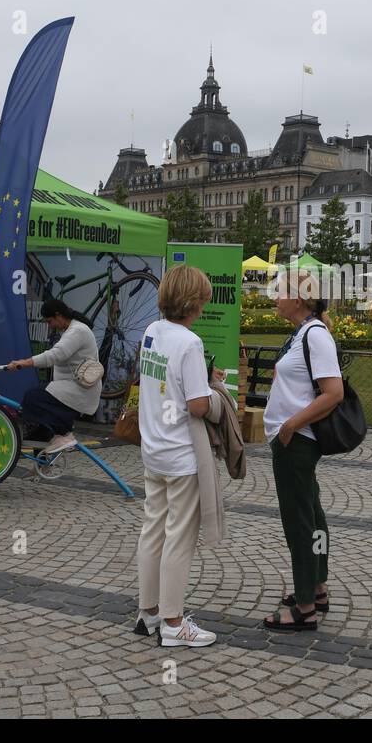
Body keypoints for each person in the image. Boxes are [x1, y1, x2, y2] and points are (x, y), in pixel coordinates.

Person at [132, 264, 227, 648]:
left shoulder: (152, 332)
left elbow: (162, 382)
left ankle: (148, 612)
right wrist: (217, 390)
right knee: (179, 539)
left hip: (153, 449)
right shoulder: (189, 342)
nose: (205, 305)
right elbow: (199, 406)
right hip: (181, 455)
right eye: (203, 299)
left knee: (152, 530)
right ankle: (173, 623)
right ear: (193, 302)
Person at [262, 270, 344, 632]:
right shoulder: (302, 333)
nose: (275, 296)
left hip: (297, 441)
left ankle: (305, 607)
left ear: (298, 298)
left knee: (299, 521)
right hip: (293, 439)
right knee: (312, 512)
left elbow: (333, 393)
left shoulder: (315, 336)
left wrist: (292, 424)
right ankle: (317, 588)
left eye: (280, 291)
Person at [5, 299, 98, 456]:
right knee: (38, 425)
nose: (50, 326)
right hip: (70, 386)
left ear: (58, 315)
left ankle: (65, 434)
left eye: (50, 321)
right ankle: (42, 464)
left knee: (33, 397)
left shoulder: (77, 331)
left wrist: (24, 363)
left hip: (80, 390)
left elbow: (55, 355)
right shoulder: (70, 330)